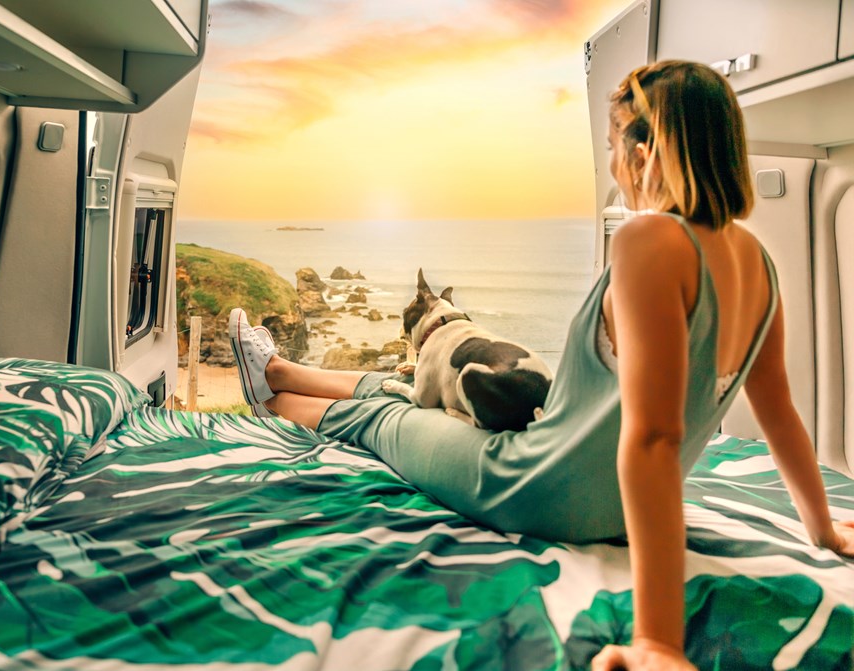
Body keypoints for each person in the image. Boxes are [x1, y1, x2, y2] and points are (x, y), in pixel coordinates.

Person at [227, 60, 854, 670]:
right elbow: (779, 413)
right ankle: (280, 370)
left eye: (612, 147)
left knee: (387, 420)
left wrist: (658, 640)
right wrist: (822, 529)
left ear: (644, 154)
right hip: (616, 507)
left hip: (536, 484)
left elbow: (654, 438)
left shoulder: (649, 241)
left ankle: (271, 397)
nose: (613, 165)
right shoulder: (758, 263)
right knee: (402, 388)